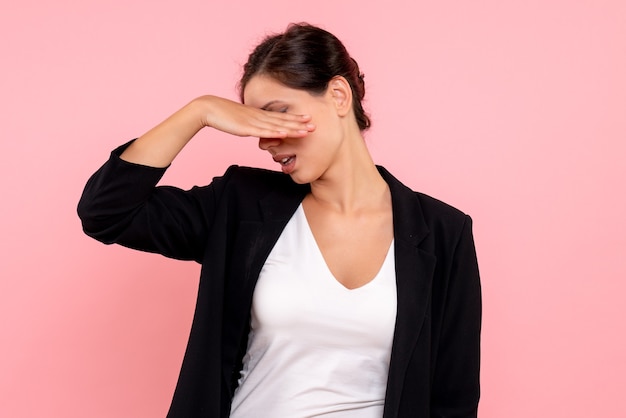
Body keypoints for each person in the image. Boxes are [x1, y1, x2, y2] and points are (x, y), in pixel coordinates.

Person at [78, 23, 481, 418]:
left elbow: (453, 397)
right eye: (256, 123)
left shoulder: (443, 233)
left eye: (279, 115)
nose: (266, 140)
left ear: (339, 95)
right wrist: (198, 112)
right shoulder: (240, 206)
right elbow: (106, 212)